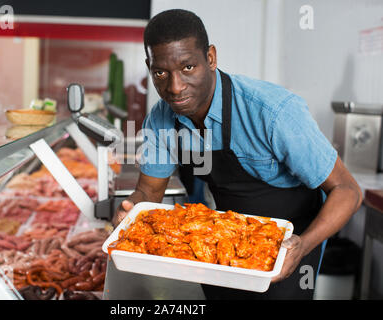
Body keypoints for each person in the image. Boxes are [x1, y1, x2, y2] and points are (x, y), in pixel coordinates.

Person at [112, 9, 362, 299]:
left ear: (210, 58)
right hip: (223, 237)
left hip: (291, 240)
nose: (175, 87)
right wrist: (129, 214)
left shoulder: (273, 111)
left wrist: (302, 246)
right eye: (161, 72)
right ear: (149, 67)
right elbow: (147, 193)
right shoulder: (161, 119)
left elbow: (348, 190)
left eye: (188, 68)